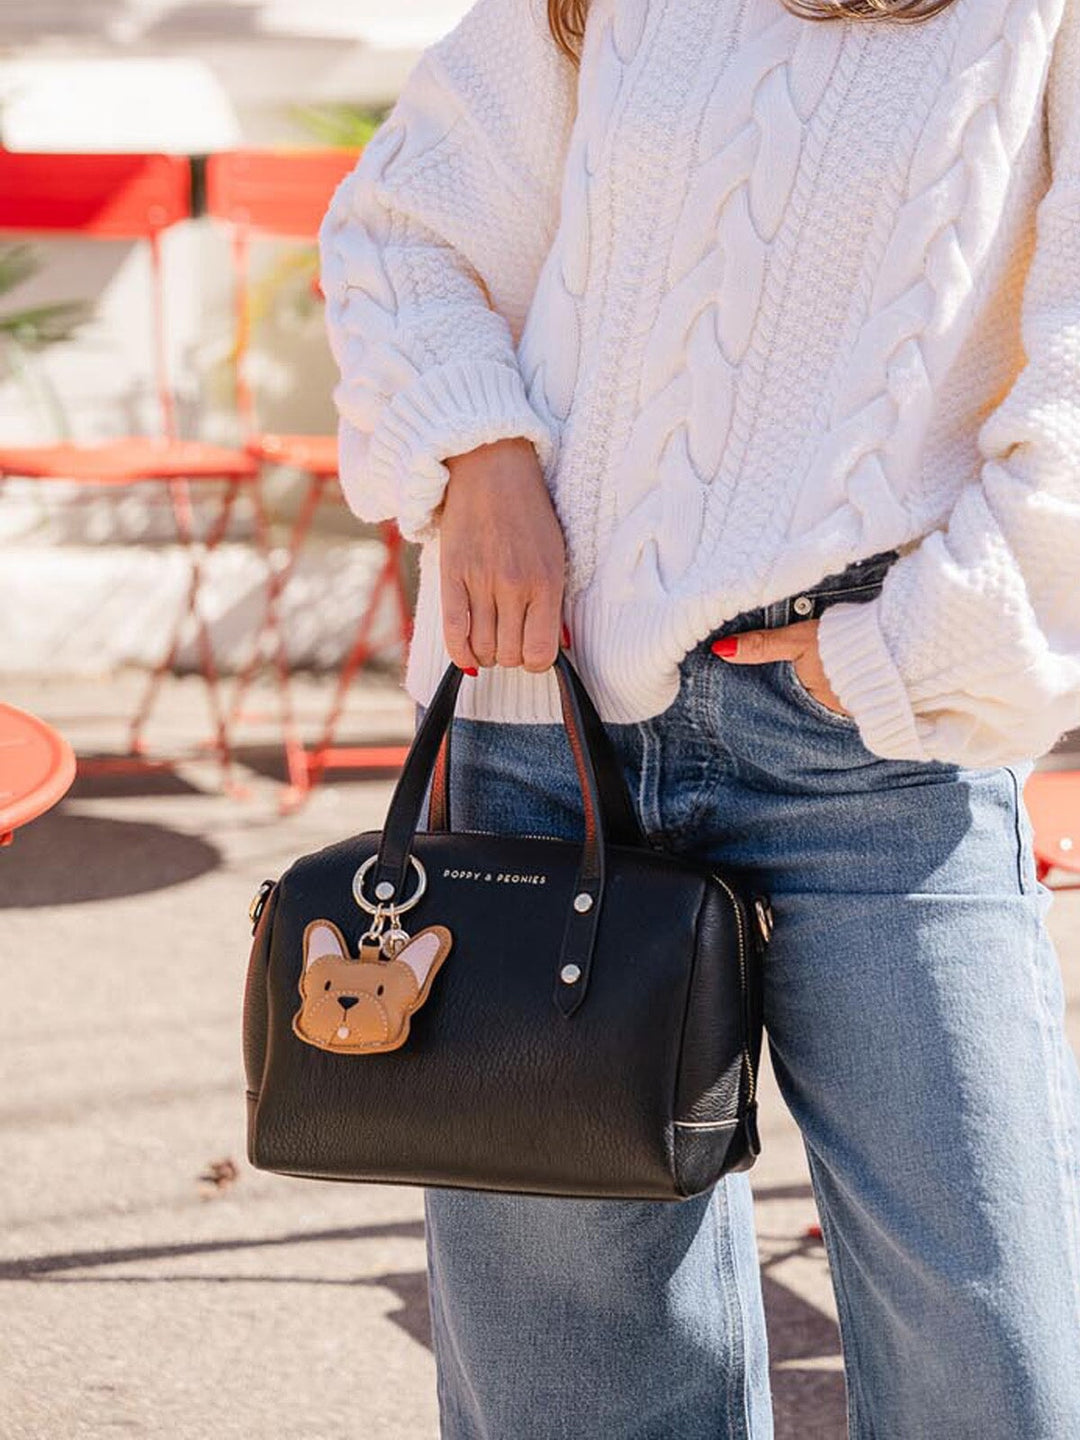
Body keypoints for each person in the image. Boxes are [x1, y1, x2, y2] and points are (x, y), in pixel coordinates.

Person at [318, 0, 1080, 1434]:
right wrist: (478, 454)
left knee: (990, 1356)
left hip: (876, 743)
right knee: (572, 1384)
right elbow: (402, 231)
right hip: (541, 731)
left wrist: (914, 649)